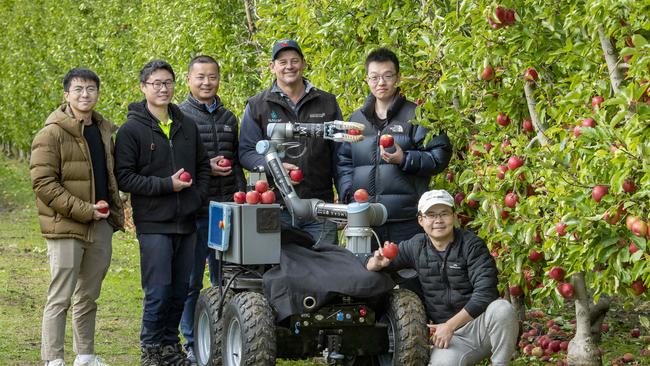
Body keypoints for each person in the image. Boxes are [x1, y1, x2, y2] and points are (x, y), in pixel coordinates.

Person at [114, 60, 210, 366]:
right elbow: (125, 177)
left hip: (186, 221)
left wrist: (195, 198)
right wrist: (166, 186)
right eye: (155, 83)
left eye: (167, 82)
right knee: (158, 289)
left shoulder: (187, 126)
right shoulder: (131, 130)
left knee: (181, 289)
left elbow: (203, 168)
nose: (163, 88)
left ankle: (170, 347)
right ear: (143, 87)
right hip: (154, 222)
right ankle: (151, 349)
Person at [30, 67, 124, 366]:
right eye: (79, 89)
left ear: (98, 93)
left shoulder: (104, 130)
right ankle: (54, 359)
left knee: (88, 297)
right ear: (66, 94)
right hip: (66, 226)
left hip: (100, 225)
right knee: (60, 297)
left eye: (91, 89)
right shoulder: (51, 133)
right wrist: (85, 210)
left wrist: (111, 212)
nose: (85, 95)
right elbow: (44, 184)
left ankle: (85, 355)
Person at [366, 189, 518, 366]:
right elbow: (381, 262)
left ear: (454, 216)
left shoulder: (472, 245)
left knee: (502, 309)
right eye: (431, 215)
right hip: (452, 340)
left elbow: (486, 293)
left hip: (481, 327)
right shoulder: (416, 246)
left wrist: (450, 326)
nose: (438, 220)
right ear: (421, 220)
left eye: (444, 213)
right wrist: (376, 263)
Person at [337, 47, 453, 252]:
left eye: (387, 76)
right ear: (367, 80)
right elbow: (343, 161)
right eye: (374, 77)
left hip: (405, 218)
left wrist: (404, 158)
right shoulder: (356, 120)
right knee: (367, 278)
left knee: (409, 278)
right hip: (365, 218)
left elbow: (439, 156)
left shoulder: (418, 115)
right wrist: (348, 194)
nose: (381, 82)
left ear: (398, 78)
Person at [239, 39, 343, 246]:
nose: (289, 66)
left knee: (325, 271)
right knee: (279, 272)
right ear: (272, 67)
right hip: (275, 207)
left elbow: (340, 155)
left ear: (304, 63)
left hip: (319, 207)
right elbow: (246, 152)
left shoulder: (327, 102)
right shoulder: (257, 105)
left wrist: (344, 198)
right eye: (282, 62)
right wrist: (274, 167)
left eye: (294, 61)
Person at [178, 55, 245, 363]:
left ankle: (219, 339)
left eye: (212, 77)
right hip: (195, 210)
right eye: (200, 77)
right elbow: (173, 164)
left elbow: (238, 163)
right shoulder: (178, 116)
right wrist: (206, 167)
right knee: (191, 282)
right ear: (189, 80)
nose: (207, 82)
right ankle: (192, 341)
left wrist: (241, 194)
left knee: (227, 280)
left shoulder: (230, 118)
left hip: (226, 211)